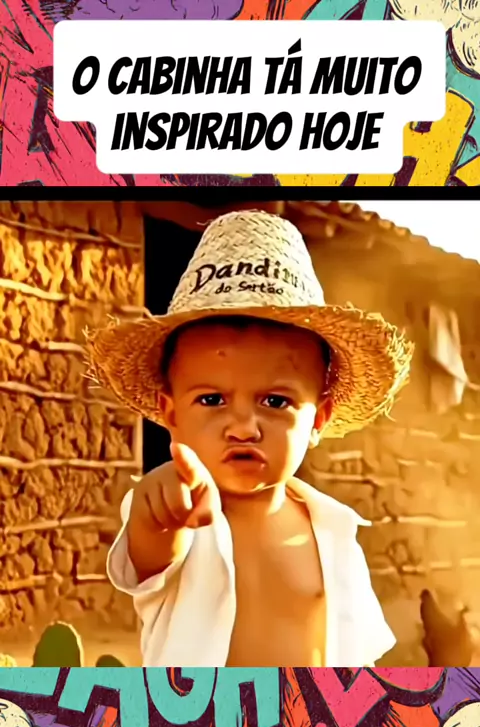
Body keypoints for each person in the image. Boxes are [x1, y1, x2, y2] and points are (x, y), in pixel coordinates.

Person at [86, 209, 413, 668]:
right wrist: (161, 515)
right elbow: (152, 550)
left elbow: (356, 659)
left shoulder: (335, 532)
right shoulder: (178, 515)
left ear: (318, 419)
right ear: (170, 413)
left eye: (275, 402)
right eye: (212, 399)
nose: (243, 427)